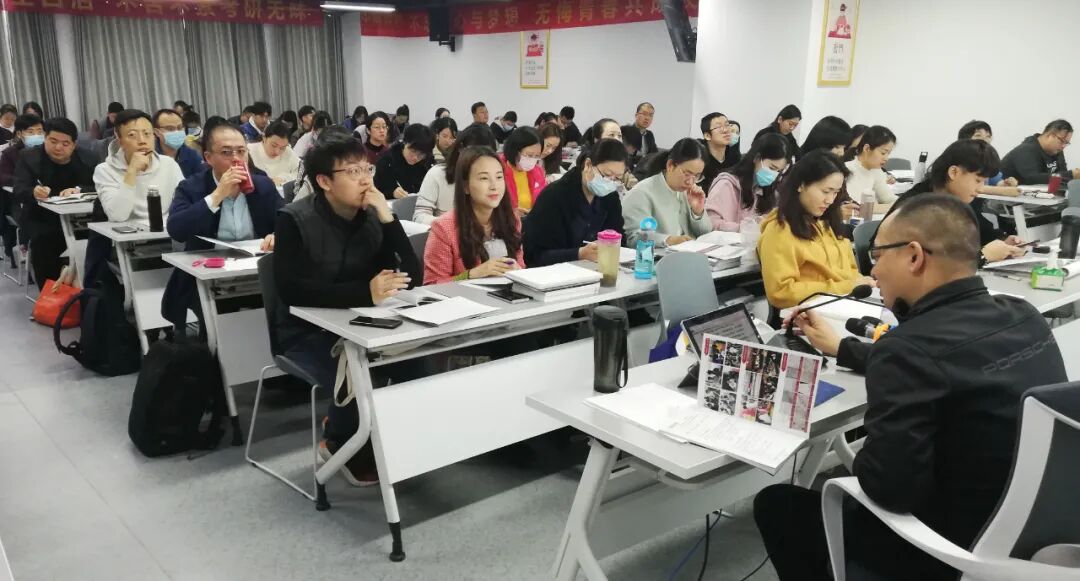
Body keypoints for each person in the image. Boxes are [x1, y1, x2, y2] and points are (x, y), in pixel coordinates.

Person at [758, 193, 1066, 581]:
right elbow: (950, 362)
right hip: (1036, 539)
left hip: (949, 551)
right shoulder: (1023, 315)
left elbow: (890, 490)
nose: (874, 273)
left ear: (914, 256)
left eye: (877, 257)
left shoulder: (907, 351)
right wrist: (843, 348)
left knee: (777, 504)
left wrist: (871, 448)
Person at [274, 135, 421, 487]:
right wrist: (364, 293)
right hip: (306, 331)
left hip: (364, 323)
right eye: (352, 172)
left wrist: (387, 217)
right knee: (358, 374)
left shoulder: (371, 215)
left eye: (367, 169)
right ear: (324, 181)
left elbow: (412, 278)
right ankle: (339, 441)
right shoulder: (294, 218)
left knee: (419, 364)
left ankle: (399, 441)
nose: (365, 179)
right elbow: (291, 290)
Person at [162, 123, 282, 330]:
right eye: (226, 152)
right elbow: (176, 230)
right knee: (218, 327)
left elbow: (287, 220)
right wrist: (216, 196)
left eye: (241, 151)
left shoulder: (262, 185)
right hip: (209, 277)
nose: (236, 158)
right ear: (208, 158)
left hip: (255, 273)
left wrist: (277, 234)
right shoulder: (192, 187)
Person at [757, 150, 870, 309]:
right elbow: (781, 293)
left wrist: (863, 284)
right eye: (825, 191)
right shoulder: (779, 230)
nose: (830, 200)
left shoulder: (827, 222)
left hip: (843, 303)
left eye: (836, 192)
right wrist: (846, 287)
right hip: (810, 312)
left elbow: (850, 270)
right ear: (801, 185)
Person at [884, 139, 1025, 263]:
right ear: (954, 172)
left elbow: (980, 232)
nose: (981, 188)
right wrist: (983, 256)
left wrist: (1003, 243)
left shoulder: (960, 200)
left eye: (984, 182)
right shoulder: (917, 207)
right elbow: (929, 264)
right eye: (978, 180)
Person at [12, 117, 100, 289]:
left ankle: (92, 292)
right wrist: (33, 191)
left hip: (83, 218)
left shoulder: (88, 158)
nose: (58, 147)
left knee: (98, 242)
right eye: (53, 141)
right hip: (42, 218)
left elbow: (101, 185)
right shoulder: (29, 157)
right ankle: (51, 295)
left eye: (65, 143)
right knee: (44, 245)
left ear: (74, 145)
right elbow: (19, 190)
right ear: (45, 138)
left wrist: (79, 189)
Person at [424, 146, 524, 284]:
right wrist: (472, 274)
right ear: (466, 186)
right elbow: (432, 284)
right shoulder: (444, 228)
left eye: (499, 177)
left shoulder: (512, 218)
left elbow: (521, 265)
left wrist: (518, 271)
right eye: (484, 178)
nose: (494, 186)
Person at [524, 138, 627, 267]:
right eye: (606, 175)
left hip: (596, 269)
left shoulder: (610, 196)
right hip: (555, 273)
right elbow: (534, 255)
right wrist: (579, 253)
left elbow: (619, 237)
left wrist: (610, 245)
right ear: (588, 165)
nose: (610, 182)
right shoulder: (554, 196)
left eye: (617, 178)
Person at [95, 109, 185, 223]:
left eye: (147, 134)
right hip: (130, 232)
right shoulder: (105, 171)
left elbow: (184, 204)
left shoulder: (169, 164)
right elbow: (117, 216)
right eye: (132, 135)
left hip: (166, 230)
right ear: (119, 140)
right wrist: (132, 171)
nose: (142, 141)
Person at [622, 138, 711, 247]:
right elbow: (634, 239)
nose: (690, 182)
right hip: (658, 256)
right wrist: (669, 240)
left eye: (697, 176)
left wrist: (698, 212)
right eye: (687, 174)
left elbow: (705, 233)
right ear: (670, 165)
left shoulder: (689, 192)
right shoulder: (641, 193)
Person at [414, 123, 497, 226]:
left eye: (487, 156)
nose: (481, 161)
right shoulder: (437, 174)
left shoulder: (493, 180)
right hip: (446, 233)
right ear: (460, 148)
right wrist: (452, 224)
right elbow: (419, 217)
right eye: (476, 154)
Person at [705, 133, 789, 231]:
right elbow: (710, 223)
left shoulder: (767, 192)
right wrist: (745, 228)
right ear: (757, 158)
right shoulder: (726, 184)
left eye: (778, 171)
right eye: (772, 168)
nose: (773, 175)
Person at [0, 113, 43, 267]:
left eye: (40, 131)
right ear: (19, 134)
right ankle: (30, 251)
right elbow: (3, 176)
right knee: (33, 219)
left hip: (45, 198)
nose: (36, 135)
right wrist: (23, 180)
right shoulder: (10, 153)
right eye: (31, 132)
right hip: (18, 200)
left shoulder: (48, 151)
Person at [1001, 119, 1080, 185]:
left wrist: (1073, 176)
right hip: (1005, 194)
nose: (1063, 146)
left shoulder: (1057, 150)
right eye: (1062, 141)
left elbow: (1062, 175)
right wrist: (1070, 174)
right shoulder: (1026, 149)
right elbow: (1032, 179)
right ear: (1050, 135)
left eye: (1066, 143)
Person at [956, 120, 1021, 196]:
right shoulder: (959, 160)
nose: (985, 139)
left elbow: (996, 182)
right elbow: (969, 187)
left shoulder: (987, 160)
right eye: (978, 135)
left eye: (988, 136)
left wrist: (1006, 184)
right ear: (964, 140)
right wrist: (1003, 191)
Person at [373, 123, 435, 200]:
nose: (415, 158)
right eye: (413, 151)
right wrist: (392, 192)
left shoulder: (427, 163)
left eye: (421, 154)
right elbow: (377, 189)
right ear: (404, 142)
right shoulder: (387, 161)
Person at [499, 126, 547, 217]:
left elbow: (545, 198)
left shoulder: (537, 171)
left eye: (536, 156)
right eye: (529, 155)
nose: (532, 160)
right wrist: (511, 212)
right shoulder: (498, 171)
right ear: (514, 151)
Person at [845, 125, 897, 205]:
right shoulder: (847, 170)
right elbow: (855, 206)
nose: (886, 158)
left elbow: (889, 199)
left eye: (888, 153)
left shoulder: (876, 170)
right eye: (883, 153)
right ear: (867, 148)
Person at [246, 120, 301, 186]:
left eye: (282, 148)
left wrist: (284, 178)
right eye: (274, 145)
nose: (277, 152)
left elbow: (301, 172)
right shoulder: (249, 151)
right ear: (264, 138)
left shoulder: (288, 151)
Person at [153, 109, 204, 178]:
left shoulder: (192, 155)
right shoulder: (151, 157)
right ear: (157, 132)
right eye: (170, 128)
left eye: (180, 127)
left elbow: (202, 179)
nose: (176, 132)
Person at [699, 112, 741, 189]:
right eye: (718, 127)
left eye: (727, 125)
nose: (726, 130)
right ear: (707, 136)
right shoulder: (698, 157)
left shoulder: (734, 159)